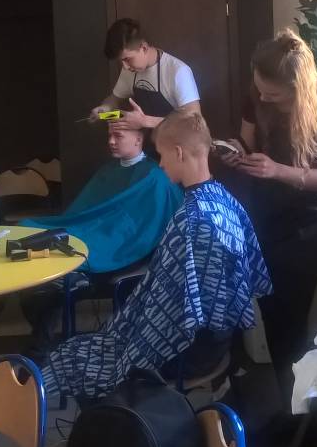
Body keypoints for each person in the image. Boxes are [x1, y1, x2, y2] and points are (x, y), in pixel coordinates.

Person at [42, 111, 272, 400]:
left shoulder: (192, 220)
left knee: (74, 359)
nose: (160, 164)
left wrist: (128, 341)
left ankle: (108, 422)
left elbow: (171, 318)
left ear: (178, 152)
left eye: (162, 156)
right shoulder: (225, 200)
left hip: (187, 353)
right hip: (217, 342)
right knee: (91, 346)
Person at [220, 28, 317, 405]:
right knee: (271, 311)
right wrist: (235, 153)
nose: (262, 98)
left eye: (272, 94)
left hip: (307, 219)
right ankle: (289, 400)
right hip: (264, 212)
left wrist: (278, 171)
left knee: (292, 314)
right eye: (259, 90)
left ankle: (299, 409)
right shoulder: (259, 92)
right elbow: (247, 143)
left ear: (296, 88)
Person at [20, 124, 183, 354]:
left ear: (138, 139)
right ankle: (41, 344)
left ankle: (40, 350)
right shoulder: (108, 171)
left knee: (48, 288)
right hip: (93, 236)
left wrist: (101, 239)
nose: (111, 141)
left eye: (118, 136)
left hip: (123, 250)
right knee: (29, 233)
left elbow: (142, 228)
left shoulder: (154, 177)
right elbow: (87, 214)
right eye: (109, 136)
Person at [90, 18, 201, 131]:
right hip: (147, 139)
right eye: (121, 61)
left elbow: (194, 122)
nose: (125, 67)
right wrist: (104, 111)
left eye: (127, 59)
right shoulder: (129, 69)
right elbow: (114, 99)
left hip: (175, 140)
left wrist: (144, 121)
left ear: (144, 48)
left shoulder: (178, 71)